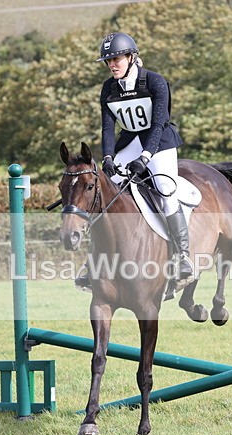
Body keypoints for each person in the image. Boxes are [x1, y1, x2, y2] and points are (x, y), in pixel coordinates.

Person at [76, 32, 192, 291]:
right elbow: (108, 127)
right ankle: (93, 260)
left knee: (165, 191)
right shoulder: (109, 88)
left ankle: (183, 256)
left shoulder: (154, 82)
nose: (112, 65)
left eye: (116, 59)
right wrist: (107, 157)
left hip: (159, 143)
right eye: (108, 61)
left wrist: (146, 157)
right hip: (129, 143)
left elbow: (159, 123)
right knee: (103, 192)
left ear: (131, 57)